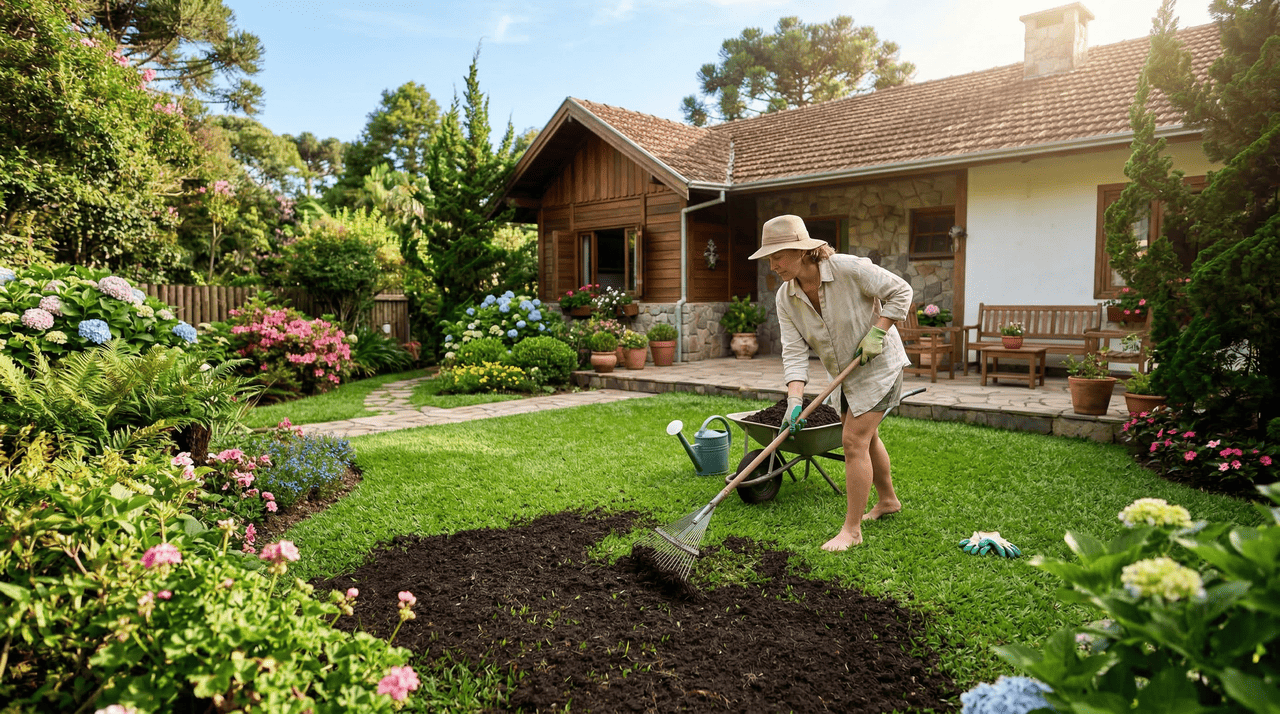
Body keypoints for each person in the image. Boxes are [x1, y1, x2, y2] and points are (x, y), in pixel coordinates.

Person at [749, 214, 912, 551]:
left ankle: (851, 530)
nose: (773, 265)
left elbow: (901, 291)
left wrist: (878, 332)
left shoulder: (849, 268)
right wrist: (794, 399)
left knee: (853, 440)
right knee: (867, 437)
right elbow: (793, 351)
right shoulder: (785, 297)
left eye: (777, 256)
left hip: (880, 365)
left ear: (801, 251)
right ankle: (888, 500)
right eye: (769, 258)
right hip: (843, 373)